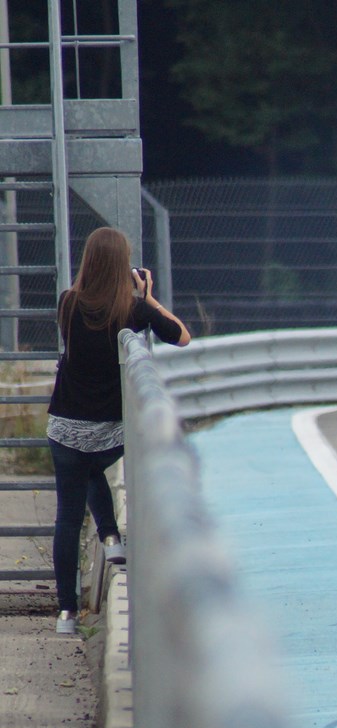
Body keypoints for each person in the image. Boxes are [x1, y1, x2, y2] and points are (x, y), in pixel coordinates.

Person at [48, 226, 191, 634]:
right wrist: (148, 297)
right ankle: (111, 537)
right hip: (110, 432)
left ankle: (67, 614)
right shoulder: (133, 311)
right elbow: (181, 337)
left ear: (89, 262)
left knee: (67, 518)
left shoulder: (67, 303)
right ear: (121, 266)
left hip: (65, 426)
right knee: (93, 469)